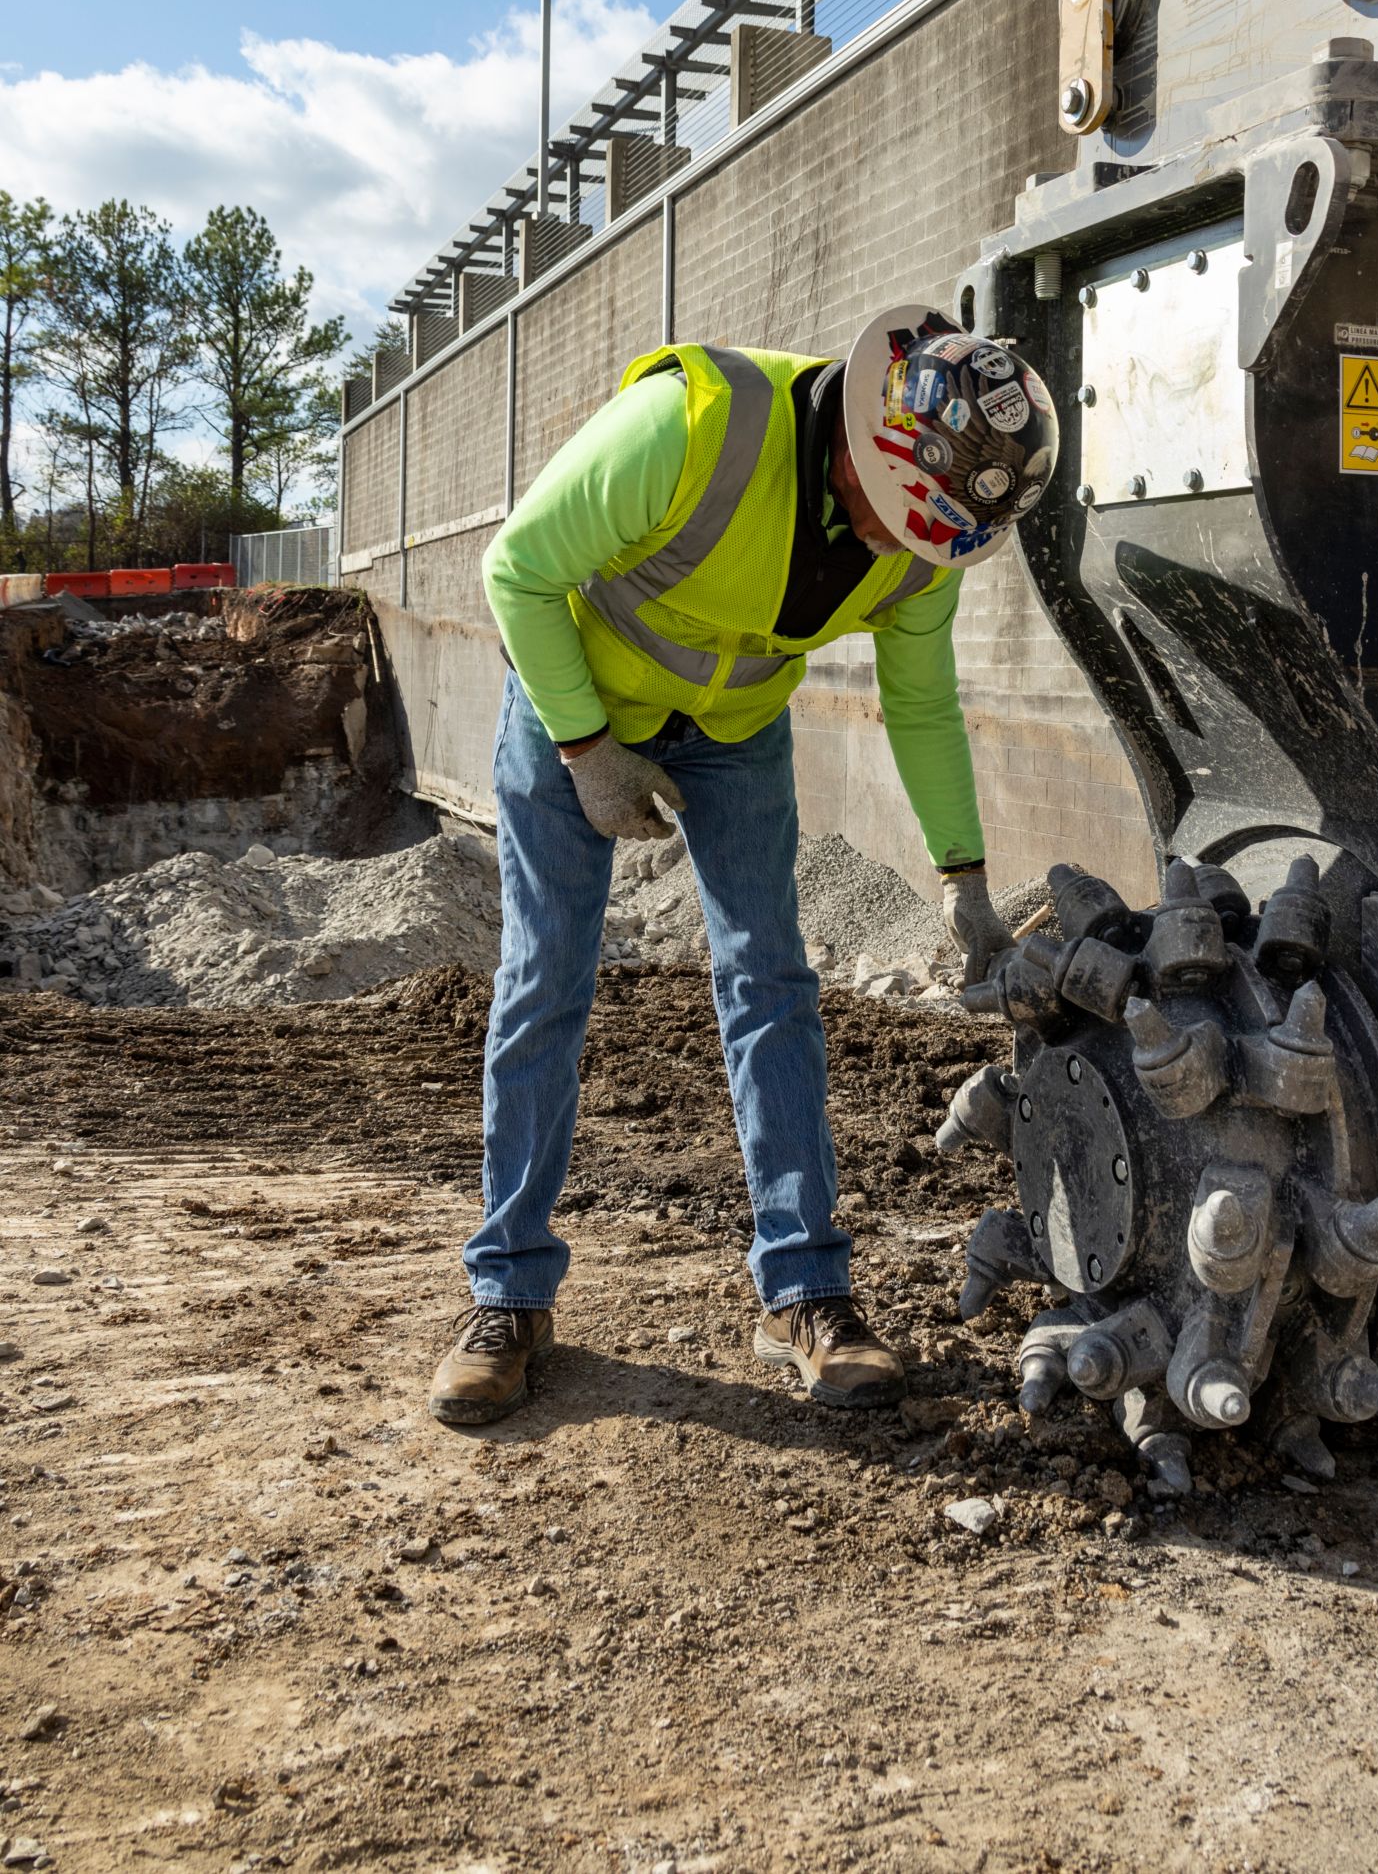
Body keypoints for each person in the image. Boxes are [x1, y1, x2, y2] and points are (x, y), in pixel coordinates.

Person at [427, 304, 1060, 1426]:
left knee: (771, 982)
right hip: (572, 702)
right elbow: (517, 568)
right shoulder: (694, 427)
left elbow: (921, 705)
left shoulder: (925, 544)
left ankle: (807, 1290)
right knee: (545, 979)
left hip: (733, 734)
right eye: (894, 522)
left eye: (928, 541)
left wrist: (963, 874)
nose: (898, 553)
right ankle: (507, 1294)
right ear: (871, 436)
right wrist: (584, 745)